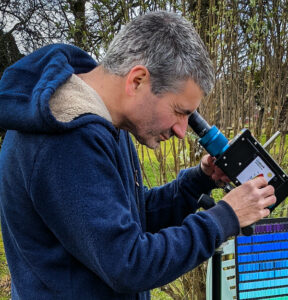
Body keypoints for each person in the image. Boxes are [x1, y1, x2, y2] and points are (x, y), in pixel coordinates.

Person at [0, 11, 276, 300]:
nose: (182, 131)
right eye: (180, 112)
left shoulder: (107, 123)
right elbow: (128, 263)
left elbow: (129, 214)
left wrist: (197, 182)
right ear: (138, 80)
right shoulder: (64, 139)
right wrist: (225, 217)